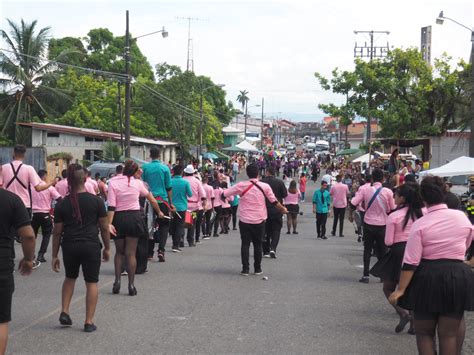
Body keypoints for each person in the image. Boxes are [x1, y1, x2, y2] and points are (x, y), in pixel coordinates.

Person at [389, 176, 474, 355]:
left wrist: (400, 289)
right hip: (457, 275)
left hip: (427, 276)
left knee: (424, 333)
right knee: (449, 335)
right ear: (444, 193)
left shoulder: (420, 224)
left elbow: (411, 261)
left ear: (423, 198)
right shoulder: (462, 218)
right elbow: (466, 244)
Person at [51, 164, 110, 333]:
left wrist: (54, 255)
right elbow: (105, 228)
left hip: (69, 245)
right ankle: (88, 322)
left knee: (70, 277)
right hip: (91, 245)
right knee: (91, 282)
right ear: (85, 179)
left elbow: (57, 233)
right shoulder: (97, 201)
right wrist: (106, 247)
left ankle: (65, 311)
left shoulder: (62, 204)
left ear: (68, 181)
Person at [370, 183, 424, 335]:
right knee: (412, 288)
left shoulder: (394, 216)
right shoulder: (421, 214)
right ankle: (414, 323)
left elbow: (388, 241)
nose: (394, 197)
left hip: (398, 251)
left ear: (403, 198)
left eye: (397, 194)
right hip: (418, 252)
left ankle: (402, 313)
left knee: (388, 287)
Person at [108, 160, 164, 295]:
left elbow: (111, 206)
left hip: (119, 218)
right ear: (134, 172)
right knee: (131, 253)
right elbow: (151, 199)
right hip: (134, 218)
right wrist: (159, 212)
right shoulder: (138, 183)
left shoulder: (113, 183)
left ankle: (117, 281)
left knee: (119, 252)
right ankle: (131, 286)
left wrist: (109, 224)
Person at [222, 163, 287, 275]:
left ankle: (245, 269)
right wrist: (283, 209)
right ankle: (257, 268)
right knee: (258, 244)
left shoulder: (241, 185)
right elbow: (274, 202)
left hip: (244, 219)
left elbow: (224, 193)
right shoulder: (265, 187)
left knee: (245, 244)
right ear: (258, 173)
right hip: (260, 219)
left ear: (247, 173)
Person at [0, 188, 35, 353]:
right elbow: (28, 235)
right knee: (1, 321)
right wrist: (28, 259)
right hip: (1, 263)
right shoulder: (11, 200)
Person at [351, 168, 395, 283]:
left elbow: (354, 202)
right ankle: (382, 275)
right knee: (382, 250)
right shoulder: (388, 192)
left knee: (367, 250)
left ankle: (366, 275)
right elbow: (392, 209)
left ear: (372, 178)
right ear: (383, 178)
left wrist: (351, 214)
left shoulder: (365, 190)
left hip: (368, 224)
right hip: (382, 225)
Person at [142, 146, 174, 262]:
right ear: (159, 155)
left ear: (150, 155)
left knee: (149, 226)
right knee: (164, 225)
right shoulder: (165, 168)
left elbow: (142, 185)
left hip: (148, 200)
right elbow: (169, 187)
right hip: (162, 200)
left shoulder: (145, 168)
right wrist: (171, 203)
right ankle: (161, 250)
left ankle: (149, 253)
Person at [0, 144, 54, 211]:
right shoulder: (29, 169)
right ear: (24, 155)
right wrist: (51, 183)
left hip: (7, 204)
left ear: (13, 153)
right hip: (24, 205)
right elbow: (38, 188)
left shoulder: (3, 168)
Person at [31, 169, 61, 266]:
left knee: (32, 236)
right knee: (47, 235)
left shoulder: (31, 187)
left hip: (34, 214)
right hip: (45, 214)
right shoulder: (49, 187)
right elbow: (59, 198)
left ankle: (31, 255)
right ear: (44, 176)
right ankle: (41, 254)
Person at [260, 166, 288, 259]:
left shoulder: (261, 182)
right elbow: (285, 195)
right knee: (276, 230)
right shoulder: (279, 182)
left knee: (265, 231)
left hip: (263, 209)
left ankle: (266, 251)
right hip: (277, 209)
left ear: (267, 172)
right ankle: (273, 248)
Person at [169, 165, 192, 252]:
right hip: (182, 207)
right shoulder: (185, 183)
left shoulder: (170, 182)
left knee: (173, 225)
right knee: (179, 226)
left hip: (171, 207)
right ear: (182, 172)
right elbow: (190, 194)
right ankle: (176, 245)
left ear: (173, 172)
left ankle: (173, 243)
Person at [183, 164, 206, 246]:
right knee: (191, 223)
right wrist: (204, 204)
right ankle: (190, 241)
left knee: (182, 222)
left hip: (184, 205)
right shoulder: (197, 181)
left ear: (185, 172)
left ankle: (181, 240)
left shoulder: (182, 180)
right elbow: (203, 194)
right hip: (194, 206)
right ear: (193, 173)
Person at [201, 175, 214, 240]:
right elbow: (212, 198)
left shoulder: (200, 187)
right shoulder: (210, 187)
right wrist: (213, 207)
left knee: (202, 220)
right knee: (208, 220)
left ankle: (204, 233)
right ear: (207, 181)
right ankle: (208, 232)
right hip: (209, 205)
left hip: (202, 205)